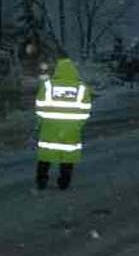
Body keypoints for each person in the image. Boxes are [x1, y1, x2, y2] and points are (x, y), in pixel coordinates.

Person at [34, 58, 92, 190]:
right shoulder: (82, 88)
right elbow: (85, 110)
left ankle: (41, 180)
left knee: (45, 154)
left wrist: (44, 121)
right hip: (71, 129)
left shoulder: (48, 85)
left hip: (50, 127)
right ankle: (64, 182)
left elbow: (39, 106)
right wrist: (77, 125)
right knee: (67, 156)